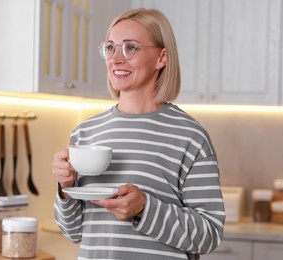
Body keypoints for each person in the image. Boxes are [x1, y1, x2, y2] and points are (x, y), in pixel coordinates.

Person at [52, 8, 225, 260]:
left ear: (161, 58)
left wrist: (144, 207)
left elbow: (208, 235)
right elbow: (73, 231)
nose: (116, 58)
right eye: (110, 48)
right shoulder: (85, 132)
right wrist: (65, 189)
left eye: (130, 48)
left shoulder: (190, 137)